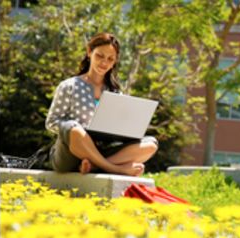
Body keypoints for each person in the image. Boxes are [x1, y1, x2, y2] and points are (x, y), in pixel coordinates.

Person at [45, 32, 158, 176]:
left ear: (115, 62)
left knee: (151, 144)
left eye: (110, 59)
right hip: (70, 153)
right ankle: (112, 168)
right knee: (74, 129)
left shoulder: (116, 93)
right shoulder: (69, 86)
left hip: (102, 149)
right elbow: (51, 122)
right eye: (100, 56)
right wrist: (80, 131)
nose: (104, 63)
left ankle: (94, 166)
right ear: (89, 52)